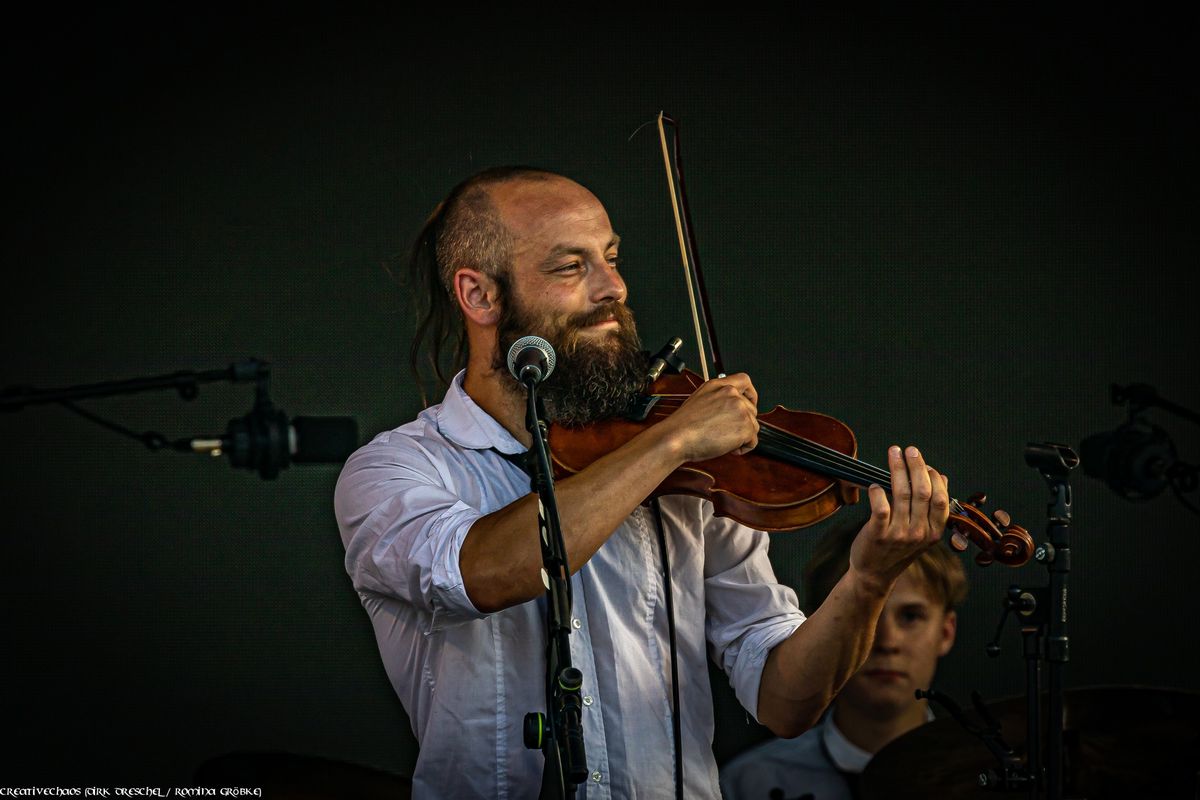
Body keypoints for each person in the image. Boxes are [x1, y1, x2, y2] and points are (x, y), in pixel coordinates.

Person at [333, 166, 953, 798]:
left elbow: (785, 703)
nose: (615, 288)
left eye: (611, 257)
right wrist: (674, 439)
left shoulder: (690, 481)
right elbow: (483, 572)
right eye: (570, 267)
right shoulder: (395, 470)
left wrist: (868, 581)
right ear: (480, 295)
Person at [719, 515, 966, 800]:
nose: (888, 641)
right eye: (866, 615)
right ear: (816, 633)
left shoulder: (986, 773)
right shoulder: (748, 784)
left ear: (946, 633)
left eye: (911, 616)